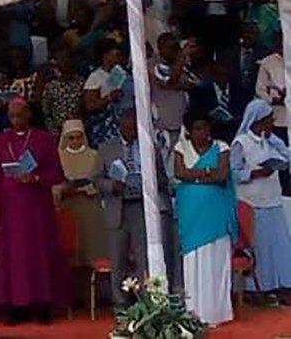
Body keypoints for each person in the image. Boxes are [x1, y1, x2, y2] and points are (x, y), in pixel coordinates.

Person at [0, 98, 68, 324]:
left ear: (28, 115)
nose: (15, 120)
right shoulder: (0, 141)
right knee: (13, 261)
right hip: (11, 210)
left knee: (38, 258)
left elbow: (57, 173)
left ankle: (42, 306)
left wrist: (35, 177)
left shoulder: (43, 139)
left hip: (37, 209)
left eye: (19, 115)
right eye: (12, 116)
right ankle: (16, 307)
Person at [97, 106, 177, 300]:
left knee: (145, 259)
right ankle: (121, 307)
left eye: (134, 128)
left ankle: (147, 302)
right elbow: (96, 178)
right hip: (118, 207)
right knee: (118, 261)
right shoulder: (106, 148)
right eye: (127, 128)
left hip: (142, 207)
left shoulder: (149, 148)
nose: (131, 132)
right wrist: (111, 185)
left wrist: (148, 182)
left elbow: (162, 178)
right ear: (119, 126)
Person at [173, 112, 236, 327]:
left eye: (205, 127)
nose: (203, 132)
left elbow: (222, 175)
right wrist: (208, 173)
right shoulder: (181, 147)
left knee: (216, 260)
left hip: (216, 214)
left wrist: (198, 174)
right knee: (193, 259)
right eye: (198, 128)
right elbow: (180, 173)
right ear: (189, 130)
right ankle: (194, 312)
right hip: (191, 213)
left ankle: (217, 312)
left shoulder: (221, 147)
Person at [231, 98, 291, 303]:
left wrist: (274, 140)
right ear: (257, 120)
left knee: (279, 246)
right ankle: (255, 289)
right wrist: (257, 173)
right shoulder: (241, 143)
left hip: (272, 199)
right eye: (268, 119)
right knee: (259, 247)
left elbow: (287, 156)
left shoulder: (269, 140)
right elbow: (234, 172)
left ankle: (281, 285)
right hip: (252, 202)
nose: (271, 122)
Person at [54, 120, 107, 280]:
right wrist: (63, 189)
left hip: (90, 208)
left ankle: (97, 295)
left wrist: (87, 187)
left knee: (93, 252)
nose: (75, 141)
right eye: (71, 138)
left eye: (78, 137)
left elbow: (100, 180)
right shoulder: (58, 156)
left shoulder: (94, 155)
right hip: (68, 208)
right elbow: (54, 185)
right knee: (71, 255)